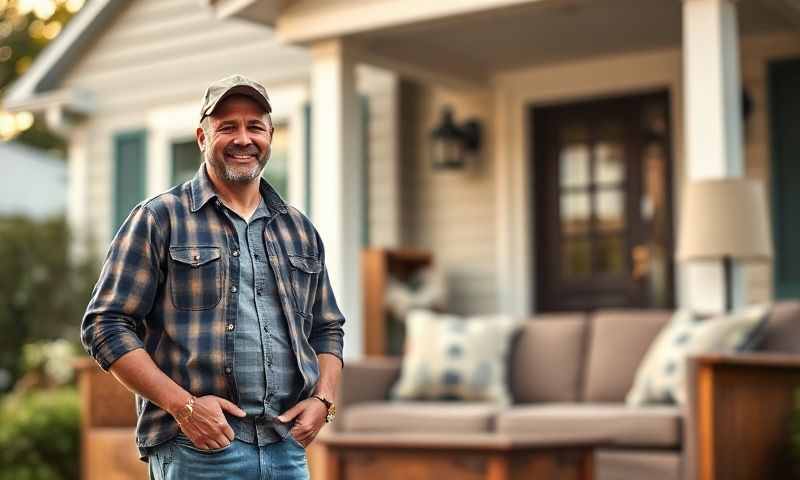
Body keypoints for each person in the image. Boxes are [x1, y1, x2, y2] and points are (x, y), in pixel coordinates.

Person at [80, 74, 344, 480]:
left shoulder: (299, 229)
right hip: (198, 448)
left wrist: (323, 400)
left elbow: (327, 328)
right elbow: (105, 325)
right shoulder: (160, 218)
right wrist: (184, 407)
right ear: (202, 137)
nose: (243, 138)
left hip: (286, 447)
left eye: (255, 126)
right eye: (227, 127)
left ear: (271, 135)